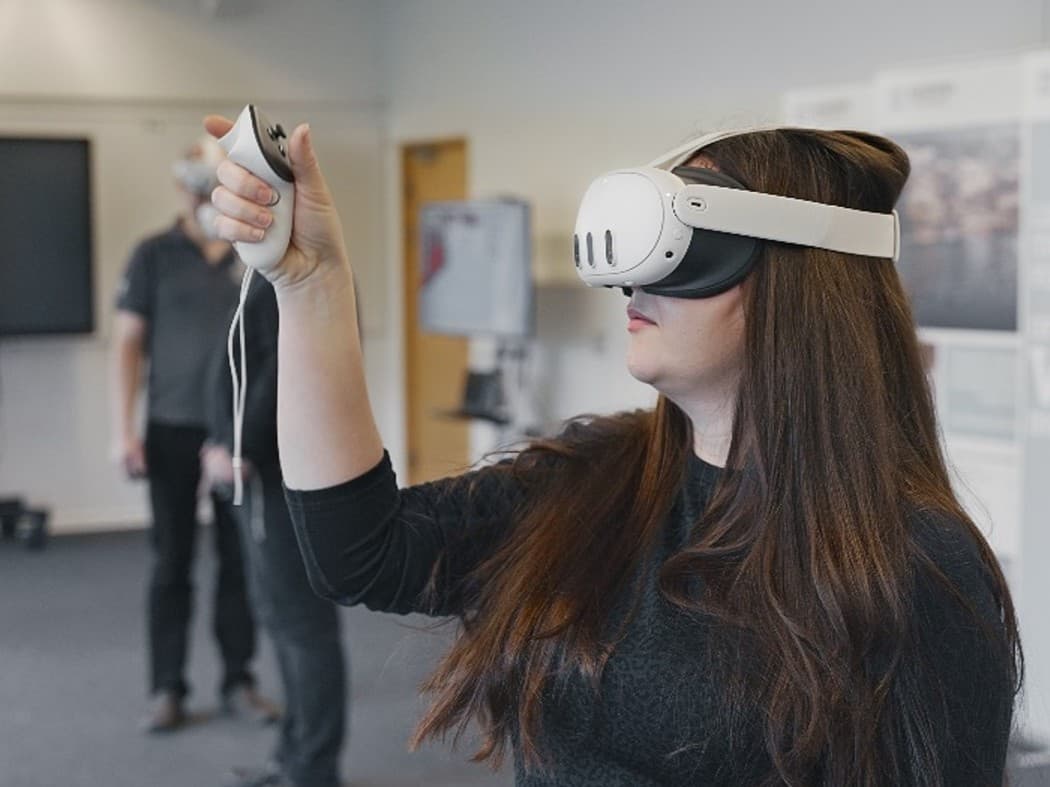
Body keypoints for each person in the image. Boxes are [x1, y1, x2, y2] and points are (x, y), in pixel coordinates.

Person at [204, 116, 1022, 786]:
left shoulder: (913, 565)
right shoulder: (599, 481)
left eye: (679, 245)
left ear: (801, 279)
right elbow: (362, 553)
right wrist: (311, 284)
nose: (636, 283)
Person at [111, 136, 279, 733]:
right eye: (199, 181)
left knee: (240, 561)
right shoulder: (152, 254)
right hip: (170, 429)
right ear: (181, 185)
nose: (206, 192)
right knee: (171, 563)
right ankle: (168, 688)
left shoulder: (254, 253)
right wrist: (123, 431)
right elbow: (127, 344)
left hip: (238, 434)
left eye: (217, 179)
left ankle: (239, 680)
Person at [202, 272, 347, 787]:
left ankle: (313, 770)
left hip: (281, 478)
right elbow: (246, 368)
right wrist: (221, 441)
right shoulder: (263, 279)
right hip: (262, 475)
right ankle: (292, 759)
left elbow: (285, 372)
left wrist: (237, 446)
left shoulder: (292, 279)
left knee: (303, 627)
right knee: (282, 622)